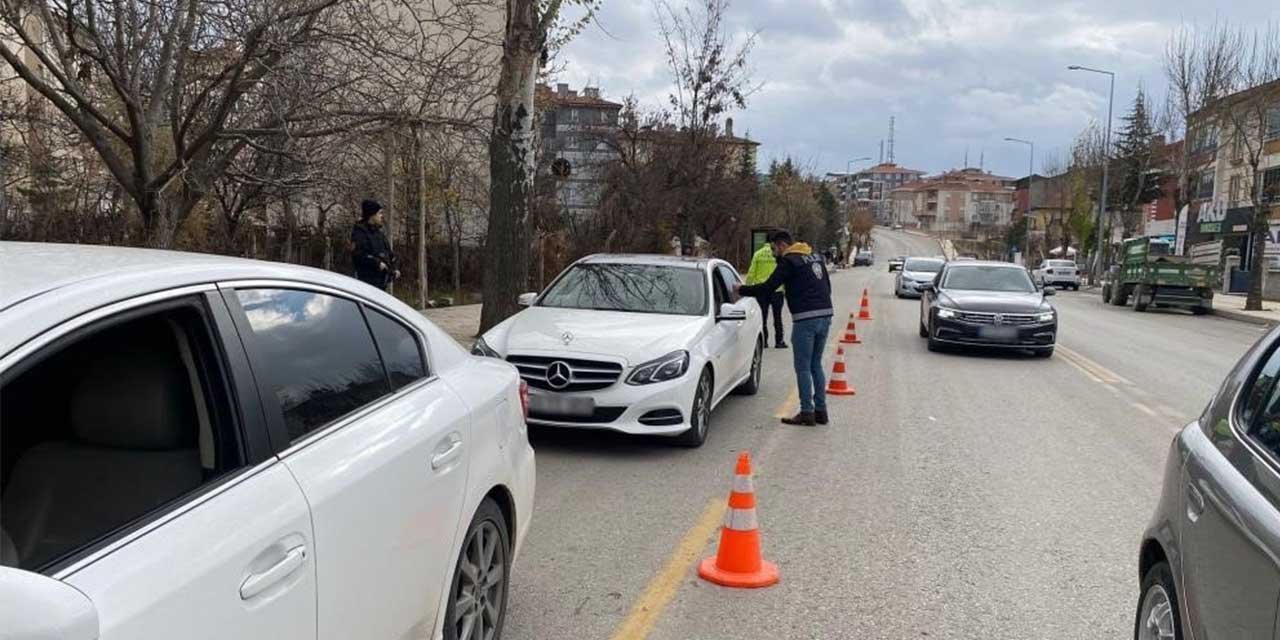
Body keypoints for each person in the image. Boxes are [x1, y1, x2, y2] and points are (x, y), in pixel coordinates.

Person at [737, 230, 834, 426]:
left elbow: (768, 287)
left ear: (782, 245)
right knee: (816, 364)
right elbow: (827, 286)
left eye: (774, 249)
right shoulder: (814, 256)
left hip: (805, 319)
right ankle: (821, 411)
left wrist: (740, 290)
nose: (773, 253)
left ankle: (807, 412)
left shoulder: (789, 261)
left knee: (803, 367)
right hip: (825, 315)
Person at [744, 240, 787, 349]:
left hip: (761, 290)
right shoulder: (778, 254)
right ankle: (779, 341)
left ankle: (764, 342)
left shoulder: (758, 254)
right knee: (778, 317)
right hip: (777, 290)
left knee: (763, 317)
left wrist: (747, 288)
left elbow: (751, 272)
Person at [351, 199, 398, 290]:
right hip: (367, 284)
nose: (382, 216)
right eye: (379, 213)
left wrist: (394, 268)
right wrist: (377, 263)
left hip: (381, 283)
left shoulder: (379, 233)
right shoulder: (360, 233)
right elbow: (359, 255)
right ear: (372, 215)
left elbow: (389, 253)